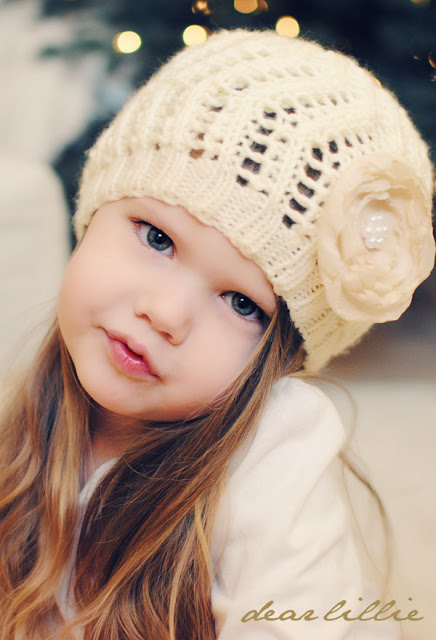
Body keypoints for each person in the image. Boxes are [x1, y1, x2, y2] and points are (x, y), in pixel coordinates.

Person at [0, 29, 434, 640]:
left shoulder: (274, 449)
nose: (166, 313)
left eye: (240, 303)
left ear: (280, 361)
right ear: (93, 214)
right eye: (157, 238)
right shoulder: (25, 416)